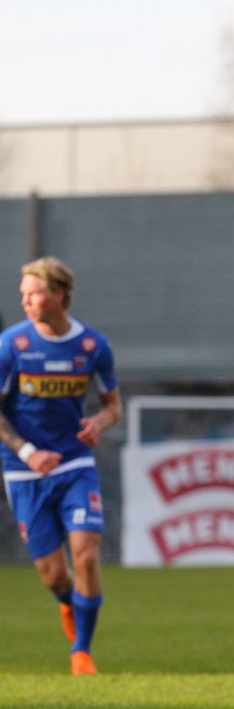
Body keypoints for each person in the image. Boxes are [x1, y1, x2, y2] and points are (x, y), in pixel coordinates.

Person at [0, 257, 121, 676]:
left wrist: (98, 423)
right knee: (53, 575)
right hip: (25, 470)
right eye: (23, 294)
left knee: (86, 556)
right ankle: (67, 603)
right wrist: (28, 450)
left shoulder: (93, 347)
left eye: (33, 293)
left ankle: (81, 652)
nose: (26, 301)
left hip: (74, 464)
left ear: (59, 295)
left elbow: (113, 407)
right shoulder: (11, 346)